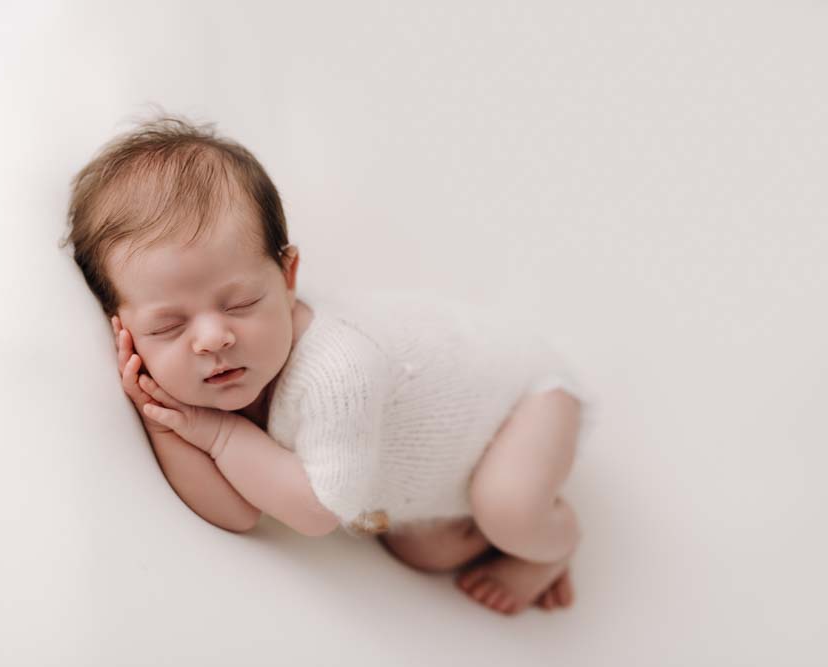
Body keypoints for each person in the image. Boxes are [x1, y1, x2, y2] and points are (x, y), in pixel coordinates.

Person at [63, 114, 595, 615]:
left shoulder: (337, 370)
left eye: (240, 302)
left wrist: (214, 434)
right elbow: (237, 513)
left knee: (509, 510)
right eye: (168, 327)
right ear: (125, 329)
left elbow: (316, 510)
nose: (213, 338)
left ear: (287, 275)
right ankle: (481, 509)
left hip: (525, 397)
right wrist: (163, 416)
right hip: (427, 469)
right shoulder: (224, 372)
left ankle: (552, 545)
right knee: (425, 552)